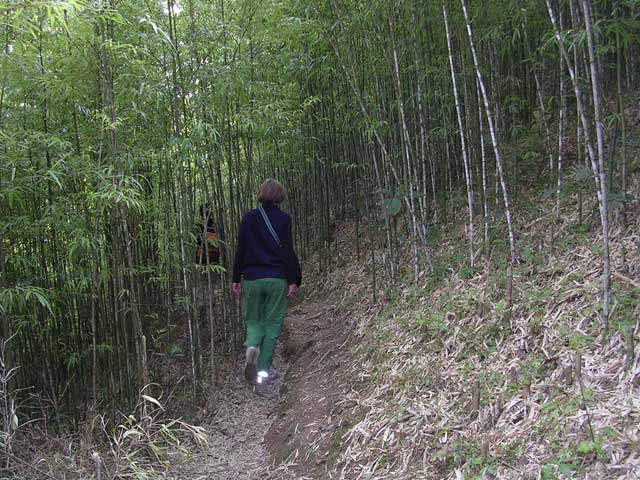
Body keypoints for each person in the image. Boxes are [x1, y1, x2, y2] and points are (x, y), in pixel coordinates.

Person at [232, 179, 302, 385]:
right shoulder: (284, 219)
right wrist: (292, 281)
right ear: (280, 195)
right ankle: (262, 371)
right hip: (276, 278)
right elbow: (287, 252)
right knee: (272, 326)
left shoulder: (248, 218)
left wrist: (236, 278)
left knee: (254, 320)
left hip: (252, 278)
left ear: (261, 193)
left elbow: (240, 251)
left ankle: (253, 345)